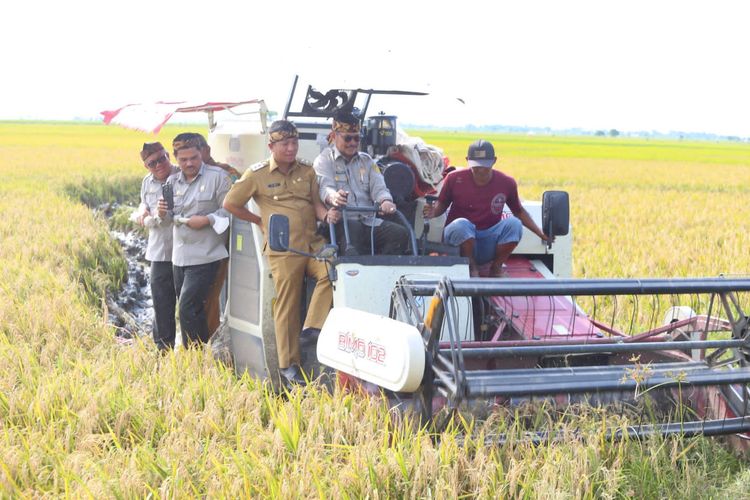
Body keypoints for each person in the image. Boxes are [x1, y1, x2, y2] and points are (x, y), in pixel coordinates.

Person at [223, 120, 337, 386]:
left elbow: (316, 205)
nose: (290, 148)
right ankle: (288, 365)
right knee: (287, 304)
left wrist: (327, 214)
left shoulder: (307, 171)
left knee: (332, 272)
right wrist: (259, 221)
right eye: (284, 144)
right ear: (271, 146)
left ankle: (312, 328)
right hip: (282, 247)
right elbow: (230, 203)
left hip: (312, 244)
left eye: (294, 143)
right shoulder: (256, 174)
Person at [424, 139, 551, 277]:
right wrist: (433, 212)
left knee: (514, 224)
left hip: (487, 240)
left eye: (485, 166)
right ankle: (472, 268)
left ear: (494, 161)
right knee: (461, 225)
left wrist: (540, 233)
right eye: (476, 166)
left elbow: (518, 211)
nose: (480, 171)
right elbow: (442, 204)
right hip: (459, 242)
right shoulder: (454, 178)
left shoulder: (506, 182)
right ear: (467, 160)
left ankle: (496, 268)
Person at [157, 137, 231, 345]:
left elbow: (230, 211)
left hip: (207, 255)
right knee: (190, 308)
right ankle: (198, 354)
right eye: (184, 160)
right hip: (179, 257)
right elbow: (168, 219)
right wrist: (162, 214)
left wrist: (207, 219)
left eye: (194, 158)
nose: (189, 163)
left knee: (188, 306)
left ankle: (196, 355)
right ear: (176, 159)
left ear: (202, 154)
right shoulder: (170, 183)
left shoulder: (219, 177)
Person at [313, 111, 409, 255]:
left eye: (357, 139)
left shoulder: (367, 161)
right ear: (334, 136)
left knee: (400, 234)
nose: (352, 143)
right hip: (341, 222)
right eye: (347, 138)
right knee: (353, 232)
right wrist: (334, 197)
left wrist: (385, 200)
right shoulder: (324, 160)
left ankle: (381, 271)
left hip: (368, 220)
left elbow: (379, 186)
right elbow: (325, 188)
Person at [137, 142, 179, 351]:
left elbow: (167, 217)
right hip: (160, 251)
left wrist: (150, 217)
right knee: (162, 303)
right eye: (152, 163)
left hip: (187, 251)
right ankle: (163, 348)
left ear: (168, 155)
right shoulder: (147, 182)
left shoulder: (181, 177)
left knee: (189, 306)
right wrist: (143, 210)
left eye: (162, 159)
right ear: (147, 166)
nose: (159, 165)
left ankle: (194, 350)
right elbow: (144, 203)